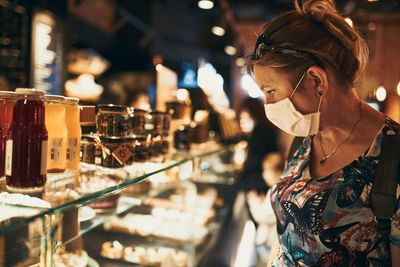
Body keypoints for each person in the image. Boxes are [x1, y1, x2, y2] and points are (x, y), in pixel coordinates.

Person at [248, 0, 400, 266]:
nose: (268, 106)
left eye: (271, 91)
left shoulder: (392, 156)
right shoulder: (303, 140)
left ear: (316, 80)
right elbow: (286, 234)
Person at [238, 97, 280, 193]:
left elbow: (252, 162)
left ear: (255, 115)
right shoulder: (265, 129)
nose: (242, 123)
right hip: (263, 181)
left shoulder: (259, 131)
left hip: (260, 183)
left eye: (246, 118)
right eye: (241, 119)